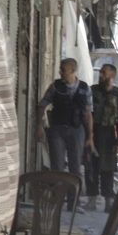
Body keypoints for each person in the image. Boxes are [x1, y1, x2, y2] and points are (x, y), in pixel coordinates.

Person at [37, 58, 93, 209]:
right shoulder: (56, 86)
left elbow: (88, 114)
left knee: (75, 167)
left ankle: (73, 203)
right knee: (57, 166)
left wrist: (90, 136)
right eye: (60, 69)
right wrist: (39, 126)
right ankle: (57, 200)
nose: (60, 72)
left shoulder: (84, 88)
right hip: (57, 129)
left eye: (63, 70)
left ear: (73, 71)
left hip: (76, 130)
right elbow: (42, 105)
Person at [88, 63, 118, 212]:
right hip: (93, 132)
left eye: (104, 73)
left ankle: (108, 201)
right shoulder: (92, 91)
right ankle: (92, 200)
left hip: (109, 134)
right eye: (101, 73)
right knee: (91, 167)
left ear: (112, 76)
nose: (101, 75)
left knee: (108, 169)